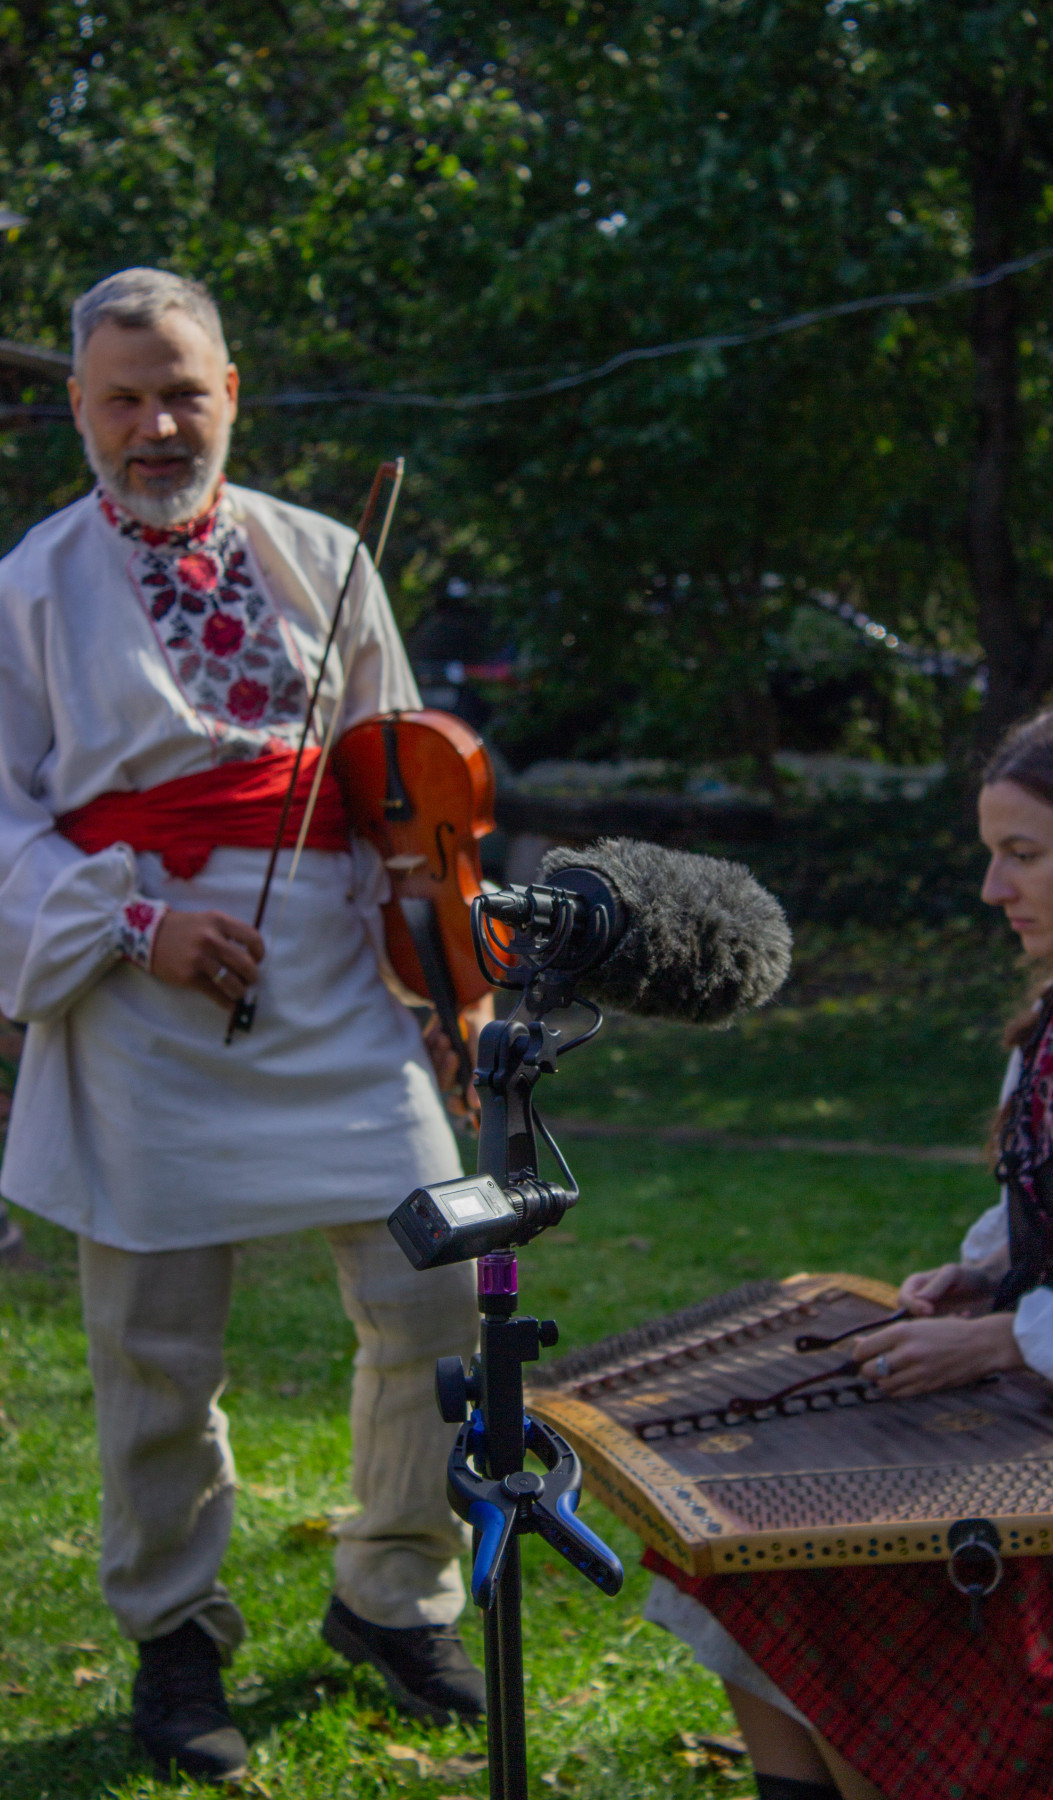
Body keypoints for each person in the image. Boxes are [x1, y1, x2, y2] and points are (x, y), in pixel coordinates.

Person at [0, 268, 491, 1784]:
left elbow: (404, 788)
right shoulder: (25, 581)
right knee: (157, 1351)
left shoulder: (326, 551)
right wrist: (140, 930)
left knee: (433, 1301)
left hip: (342, 984)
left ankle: (392, 1595)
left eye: (184, 392)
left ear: (234, 393)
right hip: (142, 1000)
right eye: (125, 397)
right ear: (78, 410)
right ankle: (174, 1639)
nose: (158, 424)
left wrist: (445, 986)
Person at [644, 694, 1053, 1800]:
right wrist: (983, 1277)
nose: (995, 889)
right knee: (759, 1551)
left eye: (1023, 855)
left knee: (859, 1576)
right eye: (993, 855)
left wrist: (1000, 1341)